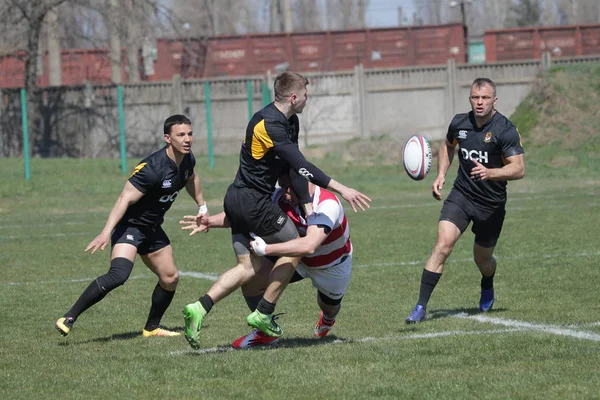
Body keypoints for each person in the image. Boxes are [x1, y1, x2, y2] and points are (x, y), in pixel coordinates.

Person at [181, 71, 370, 350]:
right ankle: (263, 313)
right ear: (294, 97)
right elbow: (302, 165)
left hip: (235, 199)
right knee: (294, 249)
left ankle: (199, 307)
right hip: (256, 202)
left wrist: (212, 220)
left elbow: (294, 169)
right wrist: (343, 188)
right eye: (305, 95)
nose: (308, 99)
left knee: (247, 269)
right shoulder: (270, 124)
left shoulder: (288, 121)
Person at [55, 114, 209, 338]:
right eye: (181, 135)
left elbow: (191, 178)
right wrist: (106, 233)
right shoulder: (153, 168)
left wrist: (202, 207)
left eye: (190, 134)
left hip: (153, 228)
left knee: (170, 278)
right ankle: (69, 317)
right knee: (119, 275)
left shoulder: (187, 159)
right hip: (130, 227)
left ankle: (152, 328)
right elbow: (124, 199)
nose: (187, 139)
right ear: (167, 138)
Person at [181, 172, 352, 349]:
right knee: (251, 282)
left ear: (303, 186)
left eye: (288, 187)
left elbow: (309, 246)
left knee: (330, 307)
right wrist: (209, 222)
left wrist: (267, 249)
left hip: (330, 265)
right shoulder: (280, 197)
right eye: (282, 185)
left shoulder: (327, 204)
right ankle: (264, 332)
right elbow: (250, 215)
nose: (284, 191)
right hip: (296, 260)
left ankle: (327, 319)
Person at [405, 77, 525, 323]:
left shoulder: (506, 130)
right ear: (470, 98)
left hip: (491, 204)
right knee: (442, 246)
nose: (479, 103)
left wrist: (490, 172)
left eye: (485, 98)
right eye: (475, 97)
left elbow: (519, 169)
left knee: (482, 259)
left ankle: (487, 282)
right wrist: (440, 175)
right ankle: (420, 307)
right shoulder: (460, 123)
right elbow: (448, 147)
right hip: (461, 195)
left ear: (494, 100)